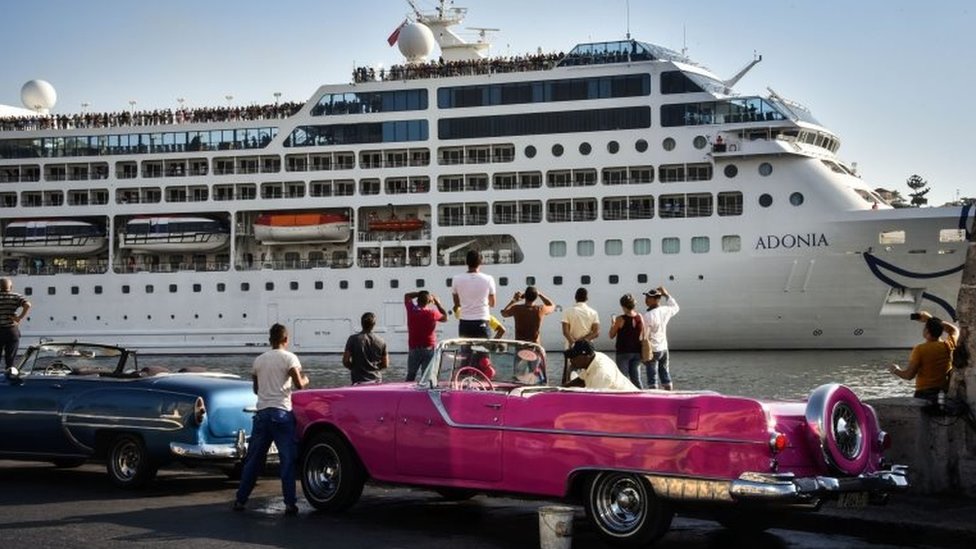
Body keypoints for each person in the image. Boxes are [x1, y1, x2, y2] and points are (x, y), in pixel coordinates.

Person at [234, 323, 309, 515]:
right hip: (282, 414)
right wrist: (306, 379)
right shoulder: (290, 358)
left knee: (254, 460)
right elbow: (299, 385)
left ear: (270, 340)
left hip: (262, 414)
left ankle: (241, 500)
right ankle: (289, 503)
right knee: (287, 460)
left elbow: (256, 389)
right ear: (286, 339)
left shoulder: (259, 360)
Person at [889, 312, 959, 401]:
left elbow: (909, 376)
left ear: (927, 331)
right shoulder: (948, 345)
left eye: (925, 327)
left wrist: (895, 370)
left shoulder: (920, 349)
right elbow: (954, 330)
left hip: (924, 394)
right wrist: (931, 319)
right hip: (942, 392)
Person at [404, 291, 448, 381]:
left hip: (414, 347)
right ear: (429, 302)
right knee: (426, 376)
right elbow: (445, 318)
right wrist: (438, 304)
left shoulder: (411, 310)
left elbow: (407, 295)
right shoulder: (432, 313)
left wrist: (421, 294)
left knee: (411, 374)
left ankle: (405, 389)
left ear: (417, 300)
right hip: (429, 348)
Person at [452, 250, 496, 338]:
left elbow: (457, 304)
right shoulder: (488, 279)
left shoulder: (456, 279)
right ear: (481, 262)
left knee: (465, 347)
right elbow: (493, 304)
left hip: (465, 322)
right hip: (482, 320)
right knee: (484, 347)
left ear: (466, 262)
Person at [563, 340, 639, 391]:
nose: (571, 360)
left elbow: (593, 401)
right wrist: (561, 388)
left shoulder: (601, 373)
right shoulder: (594, 357)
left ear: (587, 356)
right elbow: (581, 380)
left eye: (573, 357)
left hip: (630, 404)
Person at [642, 287, 680, 390]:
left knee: (652, 377)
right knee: (665, 375)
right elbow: (676, 307)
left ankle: (654, 396)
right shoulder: (665, 310)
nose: (646, 300)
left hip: (653, 349)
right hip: (664, 348)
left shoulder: (648, 315)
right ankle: (670, 394)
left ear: (656, 299)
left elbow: (645, 335)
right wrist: (666, 294)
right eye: (646, 297)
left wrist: (643, 352)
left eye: (648, 298)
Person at [608, 293, 644, 388]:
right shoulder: (640, 317)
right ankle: (640, 395)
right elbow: (643, 333)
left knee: (622, 379)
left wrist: (613, 323)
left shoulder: (620, 319)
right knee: (636, 379)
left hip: (623, 352)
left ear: (623, 306)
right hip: (637, 352)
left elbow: (611, 335)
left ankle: (623, 396)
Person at [343, 312, 389, 384]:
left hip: (358, 380)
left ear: (361, 323)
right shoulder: (381, 341)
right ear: (374, 324)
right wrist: (374, 368)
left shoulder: (352, 339)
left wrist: (355, 368)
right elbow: (385, 364)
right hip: (376, 380)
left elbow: (346, 361)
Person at [0, 278, 31, 369]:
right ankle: (9, 373)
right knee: (10, 359)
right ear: (11, 287)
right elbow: (28, 305)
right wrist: (19, 317)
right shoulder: (16, 296)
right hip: (11, 330)